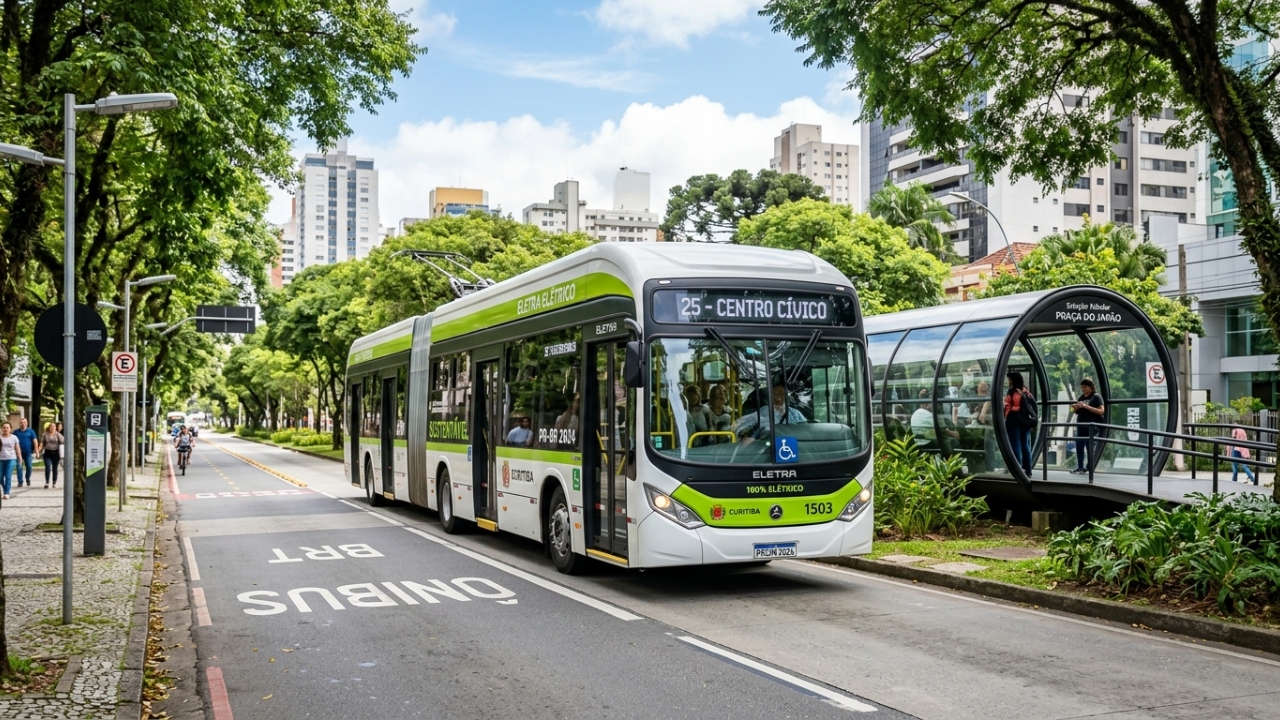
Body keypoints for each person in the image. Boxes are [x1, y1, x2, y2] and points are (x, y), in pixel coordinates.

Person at [734, 379, 807, 442]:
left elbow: (806, 430)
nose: (779, 397)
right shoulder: (764, 411)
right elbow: (743, 425)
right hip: (768, 446)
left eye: (781, 394)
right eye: (776, 393)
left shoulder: (795, 413)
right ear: (771, 396)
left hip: (794, 445)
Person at [1069, 378, 1106, 474]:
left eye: (1085, 387)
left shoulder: (1096, 397)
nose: (1083, 389)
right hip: (1080, 426)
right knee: (1079, 446)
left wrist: (1086, 406)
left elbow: (1101, 411)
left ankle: (1090, 468)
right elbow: (1074, 412)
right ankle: (1080, 467)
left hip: (1091, 427)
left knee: (1090, 447)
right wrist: (1074, 408)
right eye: (1082, 387)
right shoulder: (1081, 398)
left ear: (1090, 387)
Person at [1003, 371, 1035, 473]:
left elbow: (1008, 407)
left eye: (1009, 379)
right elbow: (1033, 403)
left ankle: (1016, 469)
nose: (1008, 381)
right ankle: (1028, 469)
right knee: (1025, 444)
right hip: (1025, 420)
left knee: (1015, 444)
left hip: (1013, 420)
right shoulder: (1025, 391)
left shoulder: (1011, 391)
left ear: (1012, 380)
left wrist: (1005, 417)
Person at [12, 417, 36, 489]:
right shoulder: (16, 432)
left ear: (27, 423)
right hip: (18, 453)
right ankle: (20, 482)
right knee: (19, 467)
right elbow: (12, 442)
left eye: (24, 422)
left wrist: (36, 450)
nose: (23, 424)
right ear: (19, 423)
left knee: (29, 467)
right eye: (21, 422)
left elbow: (35, 441)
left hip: (28, 452)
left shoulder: (31, 431)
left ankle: (27, 478)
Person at [40, 423, 63, 489]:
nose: (53, 428)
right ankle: (47, 482)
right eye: (51, 426)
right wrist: (38, 450)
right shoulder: (45, 434)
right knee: (47, 467)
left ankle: (54, 482)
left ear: (56, 427)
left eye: (54, 426)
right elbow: (42, 443)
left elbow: (62, 441)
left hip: (56, 453)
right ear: (49, 427)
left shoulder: (58, 434)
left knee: (55, 468)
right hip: (47, 452)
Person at [0, 422, 20, 500]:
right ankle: (5, 489)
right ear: (2, 428)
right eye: (4, 427)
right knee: (0, 477)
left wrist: (20, 458)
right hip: (1, 459)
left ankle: (6, 493)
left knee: (8, 476)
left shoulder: (14, 437)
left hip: (11, 458)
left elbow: (17, 448)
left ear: (10, 429)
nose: (6, 429)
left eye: (7, 428)